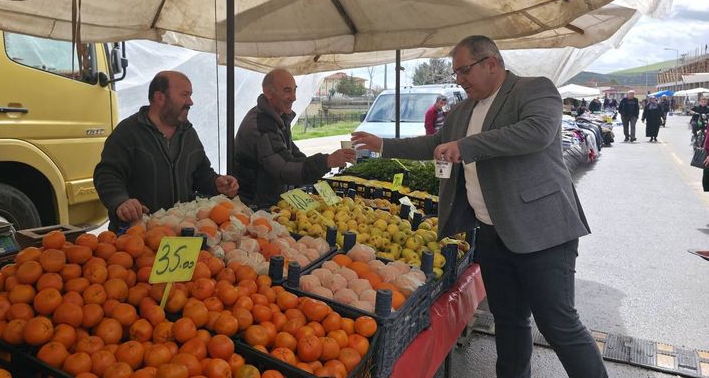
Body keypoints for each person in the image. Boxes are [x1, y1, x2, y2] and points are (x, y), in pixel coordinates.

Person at [351, 35, 606, 378]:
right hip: (491, 233)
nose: (459, 79)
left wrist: (467, 146)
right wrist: (384, 145)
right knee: (509, 321)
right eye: (456, 73)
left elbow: (536, 133)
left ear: (491, 62)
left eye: (464, 70)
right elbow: (434, 143)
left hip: (541, 231)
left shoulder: (534, 90)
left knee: (558, 324)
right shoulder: (463, 109)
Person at [94, 71, 239, 230]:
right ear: (160, 97)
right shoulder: (128, 132)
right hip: (138, 234)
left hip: (179, 234)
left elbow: (200, 172)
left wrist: (215, 182)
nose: (190, 102)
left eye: (190, 95)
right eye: (184, 95)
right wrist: (120, 201)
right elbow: (107, 174)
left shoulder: (188, 133)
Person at [234, 69, 356, 208]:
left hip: (271, 202)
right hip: (253, 206)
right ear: (268, 93)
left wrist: (320, 169)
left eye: (294, 90)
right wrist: (327, 161)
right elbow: (285, 168)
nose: (293, 97)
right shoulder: (261, 126)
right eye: (287, 91)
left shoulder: (276, 119)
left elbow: (293, 154)